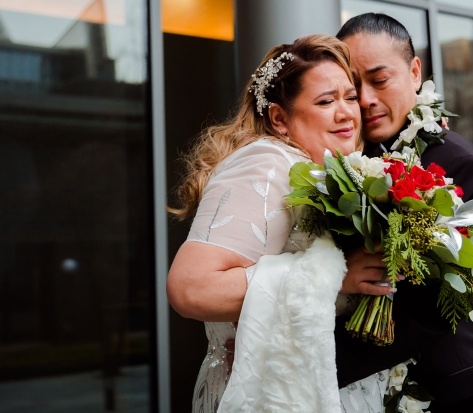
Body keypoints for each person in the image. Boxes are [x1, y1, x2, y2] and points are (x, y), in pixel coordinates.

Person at [167, 34, 400, 413]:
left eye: (350, 97)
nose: (347, 113)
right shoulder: (267, 162)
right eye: (326, 101)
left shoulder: (326, 170)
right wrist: (333, 277)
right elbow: (190, 289)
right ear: (279, 118)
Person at [335, 13, 473, 413]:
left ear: (415, 72)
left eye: (379, 80)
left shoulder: (459, 164)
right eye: (353, 86)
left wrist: (321, 360)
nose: (365, 99)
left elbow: (438, 305)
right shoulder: (346, 160)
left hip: (453, 389)